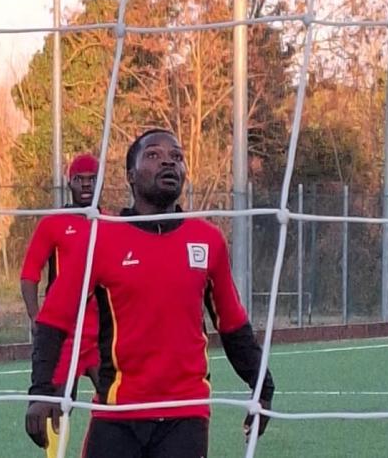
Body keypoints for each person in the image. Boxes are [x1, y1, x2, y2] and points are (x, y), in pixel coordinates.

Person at [25, 129, 276, 457]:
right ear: (130, 175)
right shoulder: (101, 239)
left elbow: (231, 323)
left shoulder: (208, 240)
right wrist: (40, 391)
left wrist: (262, 384)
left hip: (184, 416)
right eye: (154, 155)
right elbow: (54, 318)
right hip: (117, 414)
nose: (169, 162)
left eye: (177, 157)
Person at [20, 153, 102, 390]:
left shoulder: (112, 222)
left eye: (92, 179)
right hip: (64, 332)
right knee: (52, 408)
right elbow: (29, 273)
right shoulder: (54, 223)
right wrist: (35, 316)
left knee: (116, 404)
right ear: (69, 184)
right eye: (79, 179)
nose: (86, 184)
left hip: (100, 334)